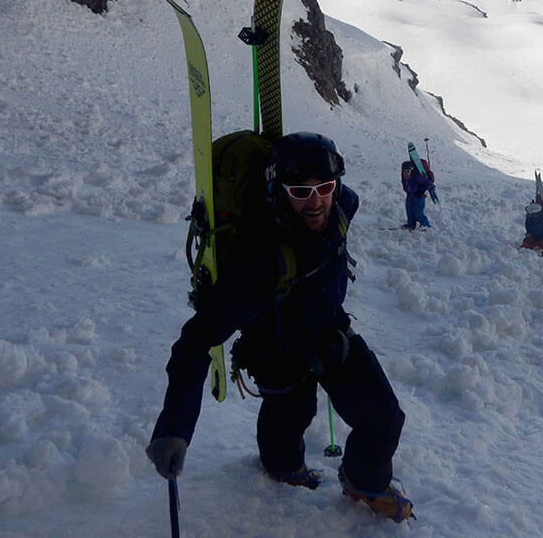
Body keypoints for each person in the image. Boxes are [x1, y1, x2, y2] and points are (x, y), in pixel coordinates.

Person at [147, 132, 412, 522]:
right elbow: (195, 339)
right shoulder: (260, 263)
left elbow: (336, 198)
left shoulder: (342, 205)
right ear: (277, 189)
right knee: (288, 418)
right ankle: (282, 469)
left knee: (384, 416)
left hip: (328, 333)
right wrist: (174, 428)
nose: (315, 201)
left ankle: (364, 481)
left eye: (324, 187)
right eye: (300, 191)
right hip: (276, 350)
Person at [400, 160, 432, 229]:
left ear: (411, 170)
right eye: (404, 171)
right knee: (409, 211)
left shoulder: (417, 177)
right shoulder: (403, 177)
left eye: (408, 171)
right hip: (410, 196)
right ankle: (411, 224)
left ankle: (426, 226)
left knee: (418, 213)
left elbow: (428, 183)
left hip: (419, 197)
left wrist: (421, 191)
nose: (406, 173)